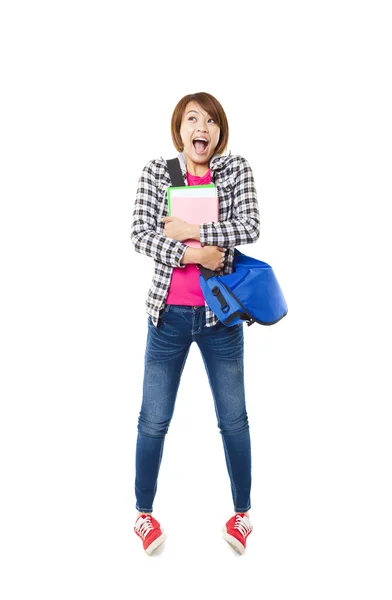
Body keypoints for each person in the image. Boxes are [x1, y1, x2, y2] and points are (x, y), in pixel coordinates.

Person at [130, 92, 260, 555]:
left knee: (234, 419)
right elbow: (140, 232)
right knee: (153, 420)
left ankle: (242, 515)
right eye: (192, 120)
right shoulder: (156, 173)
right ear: (179, 130)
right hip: (166, 316)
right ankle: (143, 515)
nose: (201, 127)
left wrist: (192, 231)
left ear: (219, 134)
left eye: (210, 121)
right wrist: (193, 255)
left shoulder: (235, 170)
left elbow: (250, 226)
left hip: (220, 316)